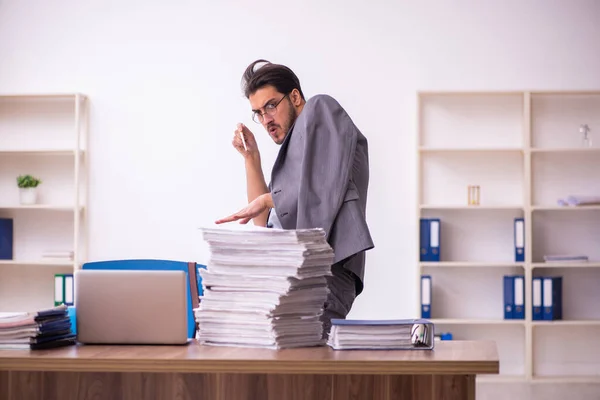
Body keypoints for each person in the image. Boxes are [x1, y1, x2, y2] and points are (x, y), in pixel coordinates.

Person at [215, 59, 374, 337]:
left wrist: (266, 200)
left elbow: (321, 189)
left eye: (271, 105)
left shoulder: (321, 109)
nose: (266, 120)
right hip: (291, 273)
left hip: (323, 273)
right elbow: (264, 223)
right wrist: (252, 158)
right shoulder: (292, 157)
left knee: (307, 370)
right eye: (258, 113)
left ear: (296, 97)